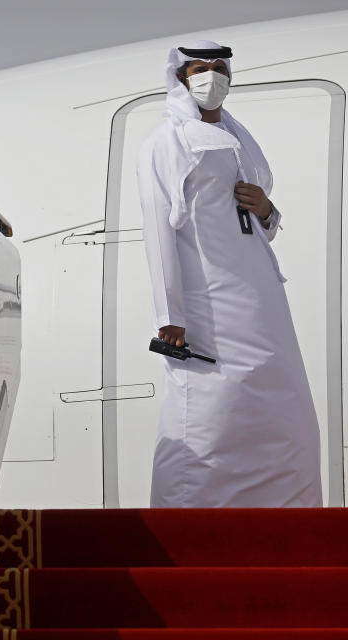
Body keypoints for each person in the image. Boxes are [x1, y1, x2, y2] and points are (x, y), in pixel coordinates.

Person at [137, 40, 322, 507]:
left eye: (220, 68)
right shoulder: (166, 142)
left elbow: (254, 226)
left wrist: (268, 212)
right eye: (200, 68)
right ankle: (190, 521)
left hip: (261, 299)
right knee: (210, 408)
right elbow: (159, 231)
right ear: (181, 77)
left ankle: (289, 517)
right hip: (207, 300)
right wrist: (169, 314)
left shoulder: (239, 139)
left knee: (285, 408)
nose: (212, 77)